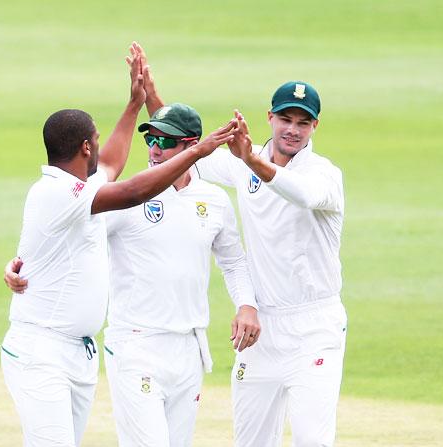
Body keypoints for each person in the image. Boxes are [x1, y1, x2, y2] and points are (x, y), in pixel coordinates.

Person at [0, 42, 237, 447]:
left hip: (77, 352)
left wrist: (134, 105)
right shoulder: (57, 194)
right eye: (96, 137)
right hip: (42, 350)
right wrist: (197, 151)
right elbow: (130, 192)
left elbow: (110, 164)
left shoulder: (77, 184)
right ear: (84, 147)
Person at [141, 63, 347, 446]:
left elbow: (301, 194)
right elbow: (189, 151)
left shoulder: (324, 175)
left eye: (303, 123)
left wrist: (252, 161)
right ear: (269, 117)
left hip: (314, 327)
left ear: (315, 127)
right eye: (285, 118)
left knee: (312, 440)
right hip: (262, 329)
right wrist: (153, 99)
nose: (292, 130)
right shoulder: (242, 162)